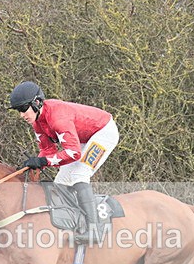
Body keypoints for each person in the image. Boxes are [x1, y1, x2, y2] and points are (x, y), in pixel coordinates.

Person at [9, 81, 119, 244]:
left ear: (37, 103)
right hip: (82, 139)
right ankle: (77, 223)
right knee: (60, 183)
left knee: (79, 174)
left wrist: (43, 161)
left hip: (103, 132)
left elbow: (73, 153)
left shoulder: (57, 118)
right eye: (19, 111)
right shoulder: (38, 123)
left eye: (24, 109)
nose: (22, 115)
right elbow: (48, 151)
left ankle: (94, 229)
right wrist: (35, 165)